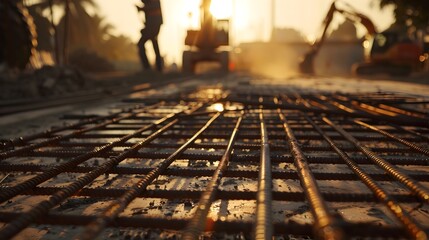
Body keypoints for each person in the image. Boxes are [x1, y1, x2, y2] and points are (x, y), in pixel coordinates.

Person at [136, 0, 163, 72]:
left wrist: (142, 9)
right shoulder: (148, 4)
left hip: (153, 25)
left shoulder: (151, 3)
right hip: (152, 25)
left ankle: (147, 67)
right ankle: (158, 67)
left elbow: (153, 7)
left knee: (141, 44)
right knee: (154, 43)